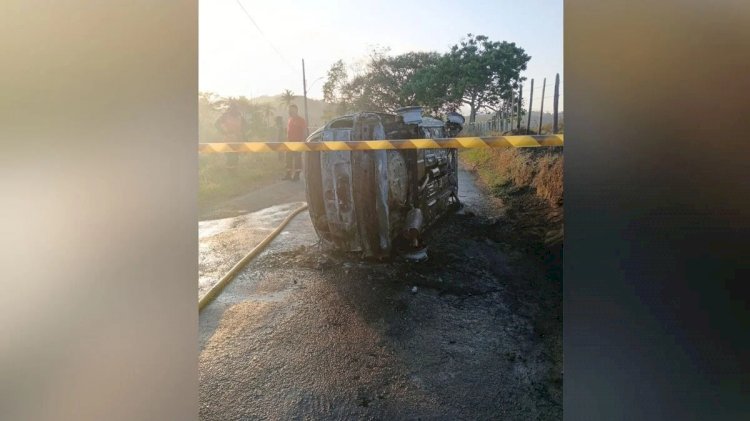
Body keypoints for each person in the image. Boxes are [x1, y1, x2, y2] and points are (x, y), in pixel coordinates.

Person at [214, 105, 244, 172]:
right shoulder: (225, 116)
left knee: (236, 158)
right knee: (230, 157)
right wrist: (224, 132)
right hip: (228, 139)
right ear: (230, 109)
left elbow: (244, 127)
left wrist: (243, 138)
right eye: (234, 109)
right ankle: (230, 174)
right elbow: (216, 124)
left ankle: (234, 174)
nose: (235, 111)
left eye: (236, 109)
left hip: (238, 140)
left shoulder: (239, 116)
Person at [283, 104, 306, 181]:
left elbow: (304, 131)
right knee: (288, 158)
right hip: (289, 142)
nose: (290, 111)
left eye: (292, 109)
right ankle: (288, 174)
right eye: (289, 109)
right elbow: (288, 131)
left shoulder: (301, 120)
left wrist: (303, 142)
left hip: (298, 141)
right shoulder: (290, 119)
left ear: (296, 110)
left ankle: (297, 175)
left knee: (297, 159)